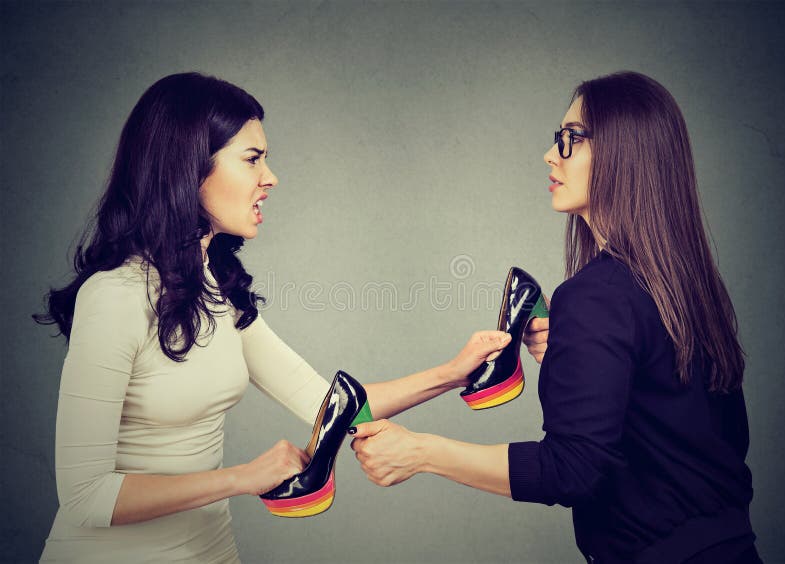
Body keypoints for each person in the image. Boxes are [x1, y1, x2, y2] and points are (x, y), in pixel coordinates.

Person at [34, 72, 511, 562]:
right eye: (252, 159)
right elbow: (84, 495)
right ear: (189, 167)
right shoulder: (113, 296)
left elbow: (327, 404)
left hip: (211, 551)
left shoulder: (214, 286)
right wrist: (241, 478)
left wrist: (453, 373)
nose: (271, 177)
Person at [350, 71, 760, 564]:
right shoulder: (688, 284)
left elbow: (573, 469)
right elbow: (693, 432)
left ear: (623, 153)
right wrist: (575, 366)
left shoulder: (594, 296)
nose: (551, 154)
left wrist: (422, 453)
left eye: (572, 139)